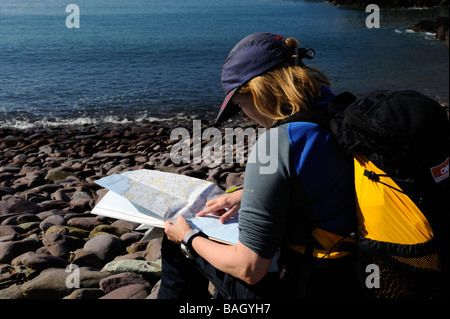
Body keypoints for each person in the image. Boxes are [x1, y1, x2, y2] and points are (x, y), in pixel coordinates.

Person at [158, 32, 359, 299]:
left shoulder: (277, 143)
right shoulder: (338, 111)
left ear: (257, 92)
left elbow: (249, 268)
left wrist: (188, 237)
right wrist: (247, 195)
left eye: (241, 105)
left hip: (305, 285)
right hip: (349, 271)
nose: (245, 116)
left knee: (175, 243)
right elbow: (323, 181)